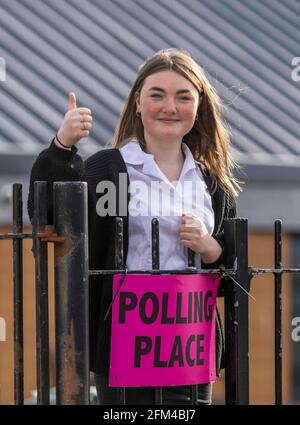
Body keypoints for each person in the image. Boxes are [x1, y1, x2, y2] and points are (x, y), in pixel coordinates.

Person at [28, 48, 241, 405]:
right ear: (138, 103)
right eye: (157, 95)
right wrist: (62, 146)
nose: (169, 107)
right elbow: (47, 216)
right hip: (123, 340)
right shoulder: (108, 169)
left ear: (199, 106)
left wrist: (209, 247)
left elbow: (234, 262)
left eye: (183, 97)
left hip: (189, 339)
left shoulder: (212, 181)